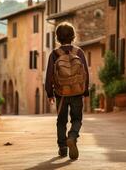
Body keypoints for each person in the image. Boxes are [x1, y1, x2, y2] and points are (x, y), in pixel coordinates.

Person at [45, 22, 89, 160]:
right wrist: (85, 91)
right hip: (77, 92)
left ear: (57, 37)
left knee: (61, 120)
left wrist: (49, 93)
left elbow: (49, 75)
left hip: (61, 93)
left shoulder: (54, 54)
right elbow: (85, 73)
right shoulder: (79, 52)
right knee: (77, 119)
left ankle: (63, 148)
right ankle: (72, 136)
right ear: (73, 36)